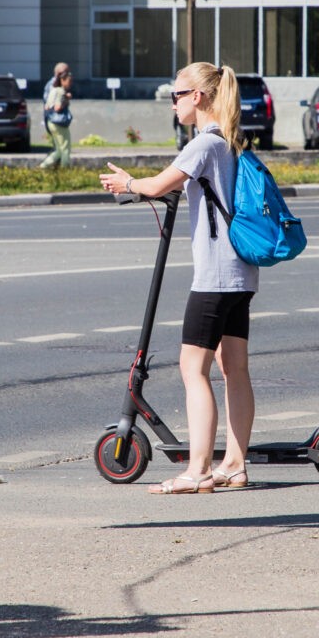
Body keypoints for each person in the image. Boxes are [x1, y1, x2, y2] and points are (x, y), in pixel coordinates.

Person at [99, 62, 258, 494]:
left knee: (193, 369)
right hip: (241, 272)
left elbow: (157, 185)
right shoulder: (230, 141)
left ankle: (198, 470)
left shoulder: (203, 144)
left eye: (176, 95)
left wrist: (128, 182)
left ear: (198, 97)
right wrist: (145, 184)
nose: (173, 103)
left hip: (214, 276)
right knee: (234, 368)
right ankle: (235, 465)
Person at [41, 72, 72, 169]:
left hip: (51, 122)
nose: (70, 83)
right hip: (59, 123)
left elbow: (47, 107)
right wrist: (66, 100)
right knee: (65, 148)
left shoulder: (53, 90)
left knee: (58, 150)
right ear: (62, 80)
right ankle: (65, 170)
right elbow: (57, 107)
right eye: (69, 81)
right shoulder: (60, 91)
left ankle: (44, 166)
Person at [42, 62, 69, 132]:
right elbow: (55, 106)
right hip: (56, 121)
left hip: (55, 121)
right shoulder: (54, 86)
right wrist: (66, 100)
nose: (69, 75)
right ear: (60, 74)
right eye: (67, 73)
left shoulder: (58, 85)